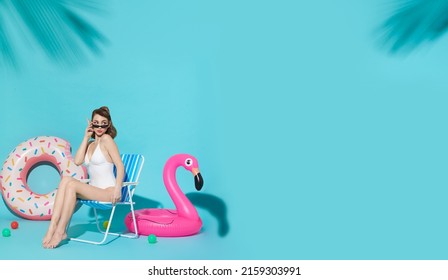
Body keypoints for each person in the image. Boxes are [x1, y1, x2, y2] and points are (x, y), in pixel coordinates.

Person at [42, 106, 124, 249]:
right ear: (91, 123)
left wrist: (118, 189)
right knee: (66, 179)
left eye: (103, 123)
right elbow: (78, 161)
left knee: (72, 185)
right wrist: (86, 137)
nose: (99, 126)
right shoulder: (92, 144)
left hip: (108, 192)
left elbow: (120, 166)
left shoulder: (107, 139)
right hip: (94, 189)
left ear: (109, 124)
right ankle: (52, 226)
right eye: (96, 122)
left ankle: (61, 231)